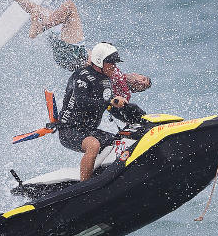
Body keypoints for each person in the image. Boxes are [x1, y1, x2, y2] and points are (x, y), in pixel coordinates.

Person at [0, 0, 152, 92]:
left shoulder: (116, 81)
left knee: (69, 8)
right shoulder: (116, 79)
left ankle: (41, 27)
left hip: (74, 53)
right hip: (66, 57)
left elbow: (98, 79)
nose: (141, 81)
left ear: (136, 88)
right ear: (137, 73)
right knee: (39, 11)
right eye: (143, 79)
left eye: (142, 85)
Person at [57, 42, 149, 181]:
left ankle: (108, 177)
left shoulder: (106, 81)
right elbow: (82, 102)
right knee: (93, 145)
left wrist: (141, 119)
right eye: (111, 63)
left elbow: (112, 108)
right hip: (69, 130)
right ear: (100, 62)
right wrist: (110, 101)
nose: (114, 66)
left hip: (89, 130)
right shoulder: (82, 76)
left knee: (120, 143)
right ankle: (85, 185)